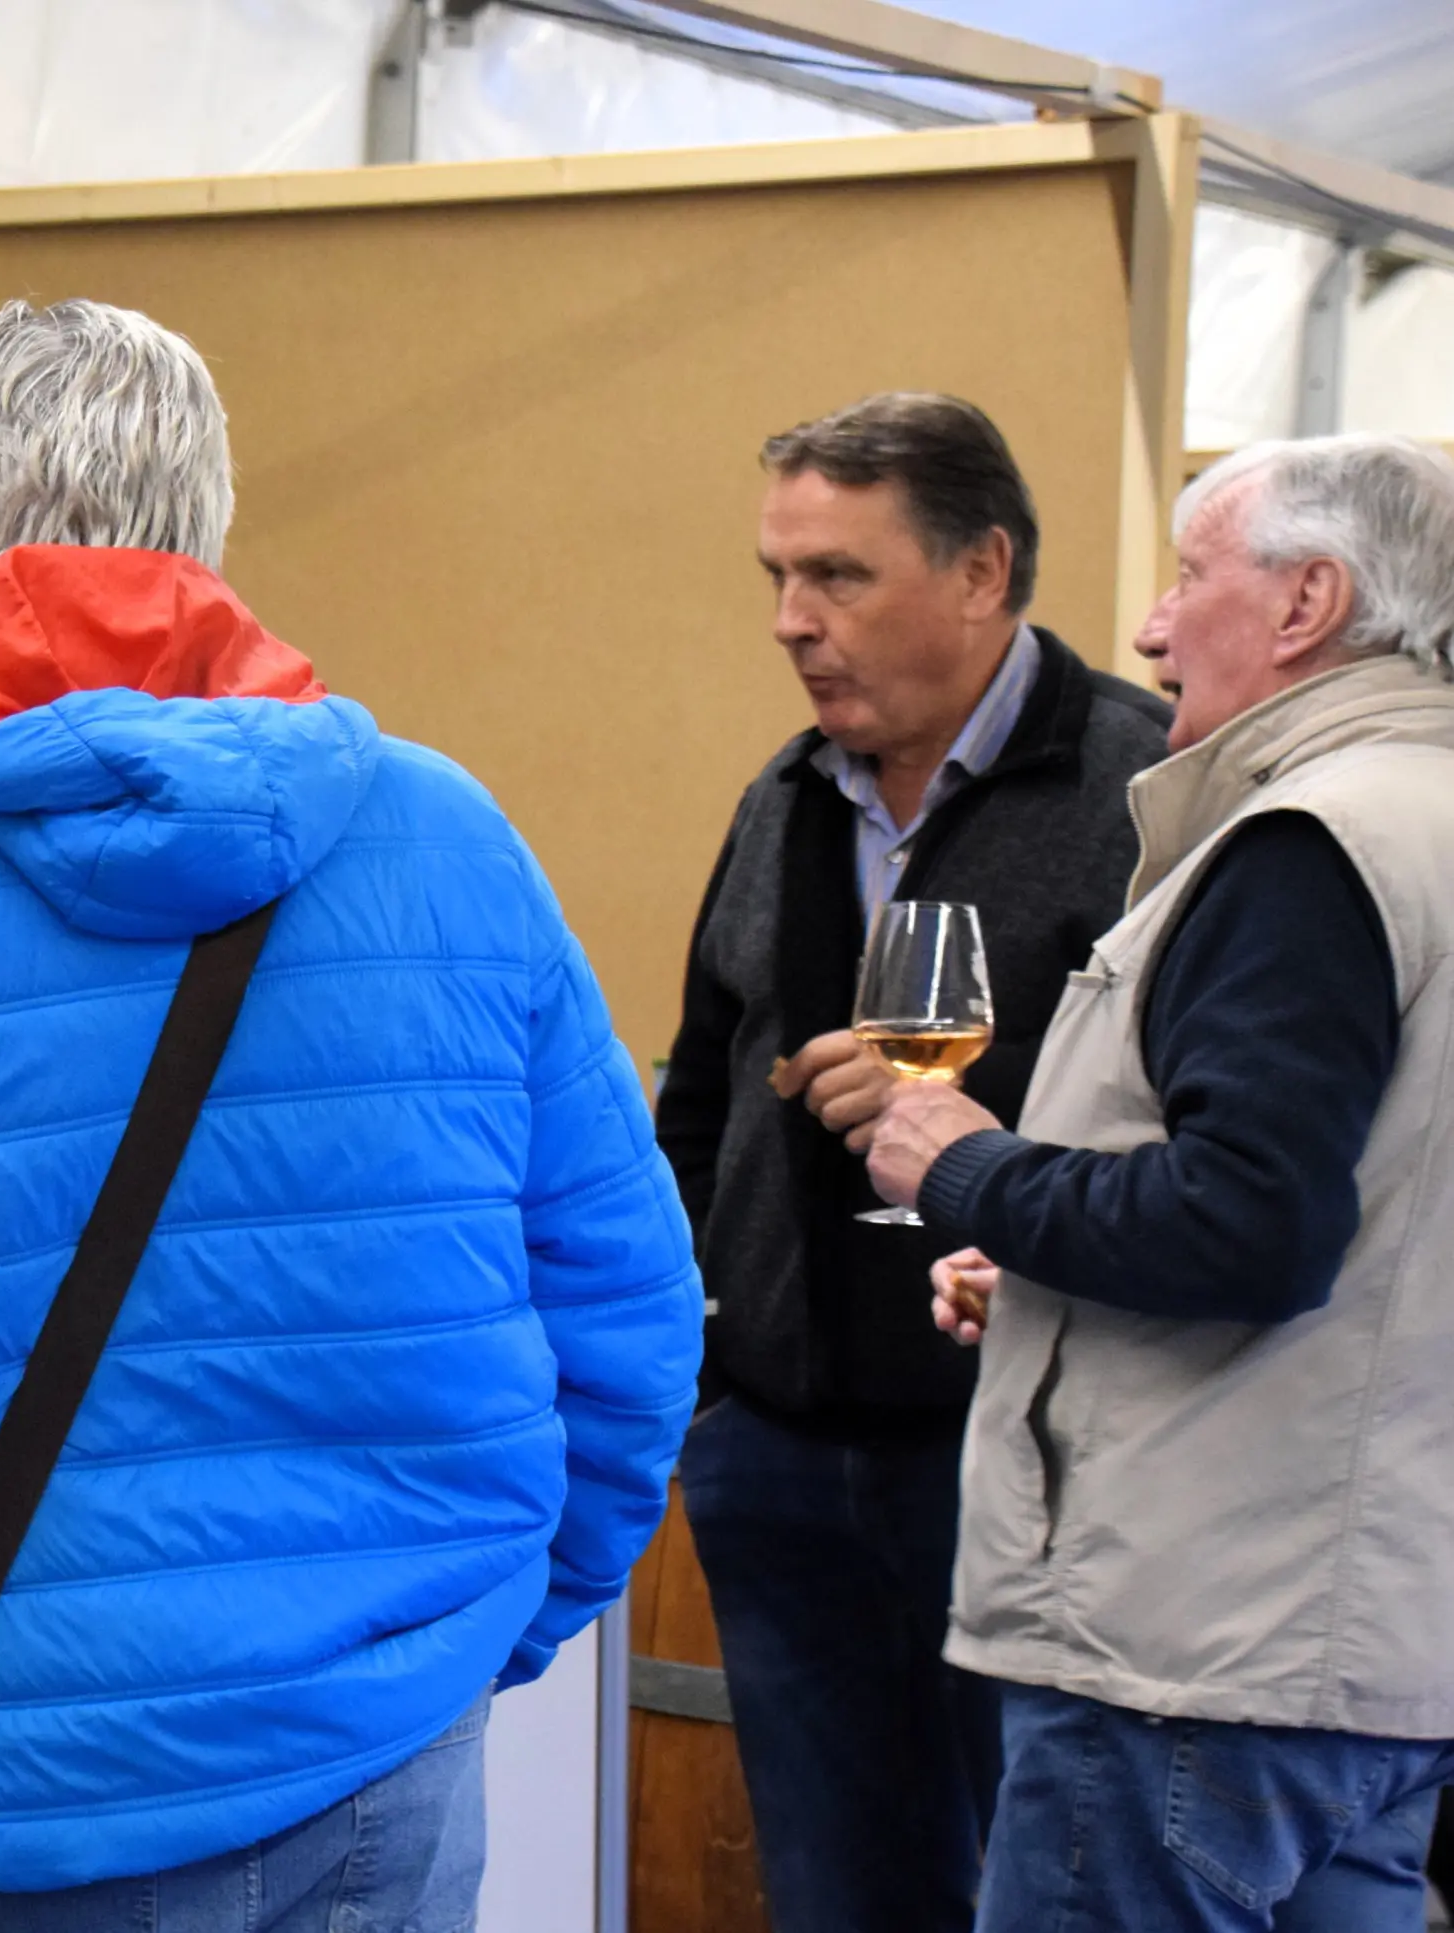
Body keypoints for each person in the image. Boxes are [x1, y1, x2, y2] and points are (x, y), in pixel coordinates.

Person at [0, 296, 701, 1925]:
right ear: (212, 528)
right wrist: (473, 1635)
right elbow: (638, 1319)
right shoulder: (448, 837)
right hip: (378, 1760)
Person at [869, 433, 1454, 1931]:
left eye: (1192, 574)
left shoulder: (1311, 841)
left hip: (1194, 1652)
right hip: (1382, 1650)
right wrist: (1058, 1275)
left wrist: (973, 1172)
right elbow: (1389, 1230)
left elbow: (1254, 1224)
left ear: (1309, 600)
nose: (1146, 623)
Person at [653, 392, 1169, 1932]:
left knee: (1050, 1893)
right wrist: (707, 1376)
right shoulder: (784, 797)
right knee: (837, 1896)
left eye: (838, 577)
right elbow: (699, 1098)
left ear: (982, 569)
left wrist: (965, 1104)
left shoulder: (1146, 800)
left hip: (1026, 1476)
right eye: (777, 580)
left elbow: (1200, 1148)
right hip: (781, 1463)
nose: (792, 624)